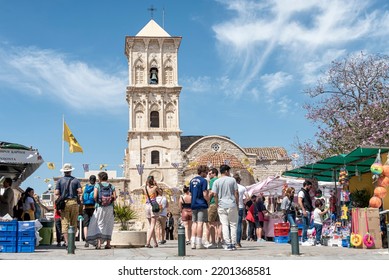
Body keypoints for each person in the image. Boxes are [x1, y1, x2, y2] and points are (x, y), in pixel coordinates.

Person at [86, 171, 116, 249]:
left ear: (99, 178)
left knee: (99, 224)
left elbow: (95, 196)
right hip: (110, 207)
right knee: (109, 224)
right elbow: (115, 197)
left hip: (100, 207)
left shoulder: (97, 185)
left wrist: (98, 201)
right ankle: (108, 244)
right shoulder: (111, 186)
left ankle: (99, 244)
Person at [54, 163, 82, 248]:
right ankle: (72, 243)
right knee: (73, 223)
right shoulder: (76, 180)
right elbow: (80, 191)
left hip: (64, 204)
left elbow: (56, 193)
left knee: (65, 223)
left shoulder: (60, 181)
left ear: (64, 172)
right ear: (70, 171)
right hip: (73, 202)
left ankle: (67, 243)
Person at [212, 164, 239, 251]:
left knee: (224, 224)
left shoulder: (216, 182)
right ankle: (233, 243)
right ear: (227, 171)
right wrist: (237, 204)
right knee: (233, 225)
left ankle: (227, 243)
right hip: (232, 204)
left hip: (221, 205)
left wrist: (217, 204)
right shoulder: (232, 180)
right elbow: (236, 193)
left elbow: (214, 194)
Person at [189, 165, 209, 249]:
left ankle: (192, 242)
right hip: (201, 204)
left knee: (194, 223)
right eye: (206, 172)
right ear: (203, 172)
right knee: (200, 223)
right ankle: (199, 243)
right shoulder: (203, 181)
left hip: (193, 204)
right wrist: (208, 200)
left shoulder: (192, 180)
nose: (207, 174)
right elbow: (204, 193)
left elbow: (191, 193)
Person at [206, 167, 221, 249]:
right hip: (220, 204)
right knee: (219, 223)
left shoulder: (212, 181)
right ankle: (220, 241)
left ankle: (213, 242)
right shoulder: (220, 180)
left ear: (214, 173)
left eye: (210, 173)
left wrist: (207, 200)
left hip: (213, 203)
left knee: (210, 223)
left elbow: (212, 192)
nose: (209, 175)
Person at [143, 175, 159, 248]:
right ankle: (148, 242)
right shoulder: (155, 188)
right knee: (152, 226)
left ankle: (155, 242)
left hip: (146, 206)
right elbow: (159, 191)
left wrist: (147, 184)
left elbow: (144, 193)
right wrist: (156, 184)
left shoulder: (144, 188)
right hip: (153, 206)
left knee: (150, 226)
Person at [81, 175, 97, 248]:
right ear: (95, 180)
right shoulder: (96, 187)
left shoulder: (84, 187)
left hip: (86, 208)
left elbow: (81, 198)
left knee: (85, 225)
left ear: (89, 180)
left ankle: (87, 240)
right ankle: (94, 239)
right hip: (94, 207)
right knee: (94, 224)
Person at [298, 180, 314, 246]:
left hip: (308, 210)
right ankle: (303, 240)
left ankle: (305, 239)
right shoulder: (302, 192)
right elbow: (300, 201)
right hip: (305, 211)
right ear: (306, 185)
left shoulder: (306, 192)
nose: (310, 188)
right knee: (305, 225)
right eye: (310, 186)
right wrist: (304, 210)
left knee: (307, 226)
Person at [234, 173, 247, 248]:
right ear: (239, 180)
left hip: (232, 206)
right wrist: (243, 201)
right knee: (239, 224)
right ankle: (238, 242)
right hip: (241, 207)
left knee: (231, 224)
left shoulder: (231, 187)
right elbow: (247, 197)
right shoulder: (242, 187)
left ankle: (231, 241)